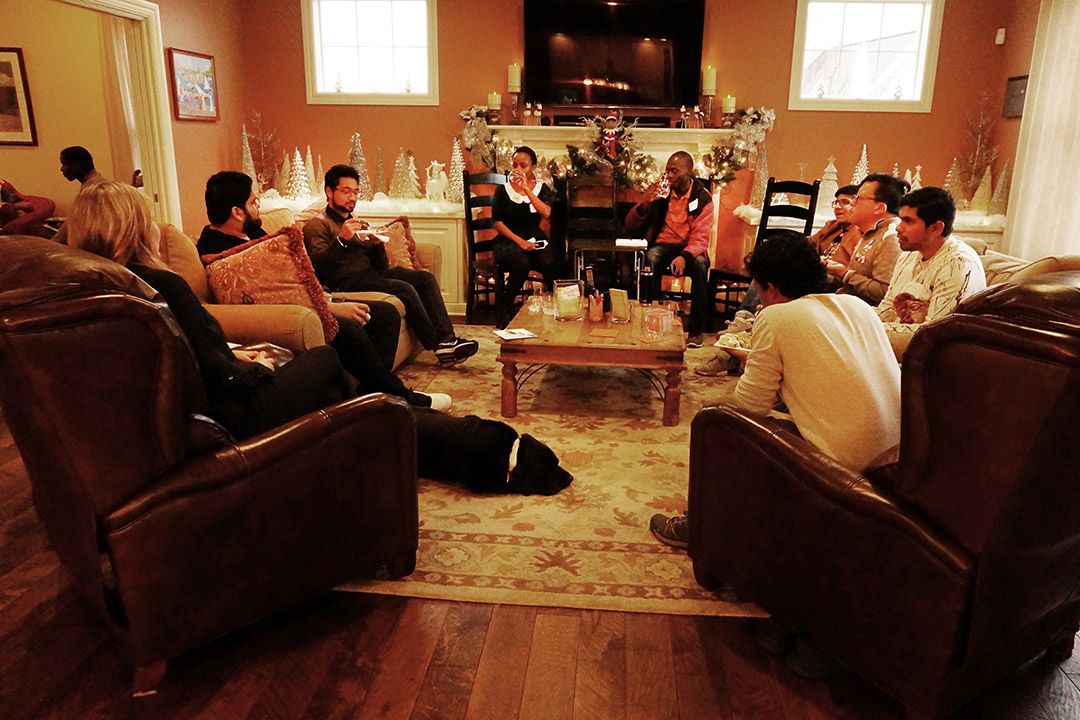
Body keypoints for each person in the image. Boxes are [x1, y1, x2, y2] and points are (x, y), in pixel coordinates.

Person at [65, 182, 574, 495]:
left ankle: (428, 435)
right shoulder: (164, 285)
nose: (156, 230)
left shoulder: (80, 295)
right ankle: (462, 439)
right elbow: (217, 367)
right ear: (132, 228)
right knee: (328, 359)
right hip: (230, 411)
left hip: (187, 420)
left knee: (340, 400)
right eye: (146, 221)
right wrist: (256, 366)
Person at [651, 229, 901, 548]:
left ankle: (701, 525)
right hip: (893, 460)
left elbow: (750, 406)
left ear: (770, 286)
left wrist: (747, 364)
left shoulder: (778, 317)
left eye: (759, 288)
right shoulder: (858, 307)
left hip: (843, 469)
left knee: (715, 419)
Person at [195, 171, 450, 411]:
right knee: (348, 327)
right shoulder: (217, 251)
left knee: (385, 314)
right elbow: (269, 290)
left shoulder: (252, 232)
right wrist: (328, 306)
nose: (258, 206)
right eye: (254, 202)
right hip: (287, 311)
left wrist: (368, 250)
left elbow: (297, 274)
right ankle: (401, 397)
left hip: (317, 295)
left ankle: (371, 395)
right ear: (237, 212)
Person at [303, 164, 478, 365]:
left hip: (369, 275)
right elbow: (319, 267)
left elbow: (381, 267)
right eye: (345, 191)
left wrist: (377, 245)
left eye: (355, 192)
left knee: (424, 278)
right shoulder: (317, 225)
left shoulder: (358, 223)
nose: (352, 197)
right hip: (343, 283)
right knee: (404, 288)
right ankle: (438, 345)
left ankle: (448, 338)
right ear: (329, 192)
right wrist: (342, 239)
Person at [694, 185, 865, 377]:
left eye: (845, 202)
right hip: (808, 274)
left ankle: (730, 347)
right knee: (766, 272)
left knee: (774, 276)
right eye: (836, 202)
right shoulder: (832, 227)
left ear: (858, 205)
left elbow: (850, 270)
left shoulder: (860, 236)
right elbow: (806, 244)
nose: (838, 207)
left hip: (828, 282)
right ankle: (735, 338)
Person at [877, 186, 986, 358]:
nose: (898, 228)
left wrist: (865, 330)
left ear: (936, 228)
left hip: (939, 361)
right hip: (901, 352)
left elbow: (933, 336)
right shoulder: (909, 256)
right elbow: (888, 309)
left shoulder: (958, 264)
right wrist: (851, 318)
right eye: (900, 220)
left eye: (908, 221)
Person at [625, 151, 714, 347]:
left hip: (690, 247)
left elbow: (701, 238)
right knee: (652, 257)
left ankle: (696, 330)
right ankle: (652, 320)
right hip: (663, 244)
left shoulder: (702, 198)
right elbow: (630, 225)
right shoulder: (661, 193)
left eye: (674, 171)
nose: (670, 176)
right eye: (667, 171)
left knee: (700, 264)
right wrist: (644, 204)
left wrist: (684, 256)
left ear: (688, 171)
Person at [490, 145, 559, 329]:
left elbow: (546, 213)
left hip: (533, 235)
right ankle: (504, 309)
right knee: (522, 263)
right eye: (515, 165)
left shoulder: (541, 189)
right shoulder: (503, 191)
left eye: (523, 165)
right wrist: (520, 242)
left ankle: (555, 308)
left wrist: (527, 190)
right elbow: (497, 222)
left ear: (533, 167)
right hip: (509, 239)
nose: (518, 169)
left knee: (548, 261)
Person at [825, 173, 905, 306]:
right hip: (845, 303)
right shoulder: (870, 232)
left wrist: (845, 274)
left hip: (861, 315)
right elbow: (851, 283)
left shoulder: (892, 237)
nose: (852, 204)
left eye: (858, 199)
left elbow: (884, 293)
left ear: (879, 208)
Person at [53, 146, 109, 244]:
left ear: (76, 165)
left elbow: (71, 224)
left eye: (64, 164)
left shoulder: (92, 190)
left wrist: (51, 246)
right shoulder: (97, 182)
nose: (61, 169)